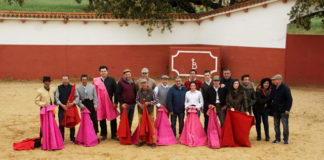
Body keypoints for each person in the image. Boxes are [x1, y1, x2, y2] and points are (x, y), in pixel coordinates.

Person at [94, 65, 119, 141]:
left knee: (113, 118)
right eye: (102, 71)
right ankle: (104, 134)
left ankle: (114, 134)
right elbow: (94, 93)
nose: (103, 72)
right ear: (100, 72)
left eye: (104, 71)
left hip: (109, 102)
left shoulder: (112, 80)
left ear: (107, 72)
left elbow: (116, 92)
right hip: (100, 103)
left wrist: (115, 102)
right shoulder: (96, 81)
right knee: (102, 118)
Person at [55, 74, 79, 142]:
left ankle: (72, 138)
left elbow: (77, 97)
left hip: (70, 108)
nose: (65, 81)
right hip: (62, 108)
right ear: (62, 80)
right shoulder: (59, 87)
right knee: (61, 124)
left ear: (68, 80)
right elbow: (56, 98)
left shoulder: (72, 88)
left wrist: (72, 103)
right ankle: (61, 138)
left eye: (66, 79)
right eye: (63, 79)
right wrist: (62, 105)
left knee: (72, 123)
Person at [136, 79, 158, 148]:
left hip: (149, 112)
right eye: (142, 83)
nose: (143, 85)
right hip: (141, 111)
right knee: (141, 126)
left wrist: (149, 103)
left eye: (144, 83)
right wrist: (139, 104)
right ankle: (141, 141)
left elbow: (156, 101)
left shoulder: (152, 91)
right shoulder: (139, 91)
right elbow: (136, 100)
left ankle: (153, 141)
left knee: (151, 126)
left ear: (147, 84)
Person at [271, 74, 293, 145]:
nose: (273, 81)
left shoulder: (286, 88)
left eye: (274, 80)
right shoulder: (273, 87)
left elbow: (289, 100)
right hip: (275, 110)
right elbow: (272, 97)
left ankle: (285, 139)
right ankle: (277, 138)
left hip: (283, 110)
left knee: (285, 125)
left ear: (279, 80)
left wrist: (287, 109)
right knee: (276, 125)